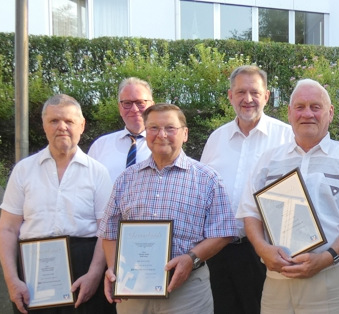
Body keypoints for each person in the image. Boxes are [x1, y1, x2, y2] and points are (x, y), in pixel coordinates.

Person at [236, 79, 339, 313]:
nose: (307, 114)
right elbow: (249, 212)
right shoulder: (269, 160)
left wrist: (328, 257)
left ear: (330, 113)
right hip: (278, 279)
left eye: (315, 107)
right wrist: (262, 249)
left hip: (335, 279)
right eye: (300, 107)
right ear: (289, 113)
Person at [98, 103, 238, 314]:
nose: (161, 134)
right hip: (133, 289)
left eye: (170, 128)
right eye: (153, 128)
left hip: (187, 290)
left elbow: (224, 232)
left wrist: (191, 258)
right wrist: (113, 267)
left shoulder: (207, 179)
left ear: (185, 134)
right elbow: (109, 231)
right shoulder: (126, 178)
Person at [0, 94, 115, 314]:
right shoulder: (23, 170)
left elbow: (106, 229)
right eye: (54, 121)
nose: (62, 127)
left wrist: (94, 275)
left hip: (84, 265)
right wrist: (12, 279)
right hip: (33, 270)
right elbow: (7, 228)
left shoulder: (98, 172)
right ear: (44, 125)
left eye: (69, 121)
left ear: (82, 126)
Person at [200, 65, 294, 314]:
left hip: (264, 251)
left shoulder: (287, 137)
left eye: (255, 92)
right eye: (241, 92)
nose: (248, 99)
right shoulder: (216, 139)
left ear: (266, 96)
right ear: (230, 96)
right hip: (218, 251)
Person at [88, 77, 154, 182]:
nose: (134, 109)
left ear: (152, 106)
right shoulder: (100, 146)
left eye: (140, 103)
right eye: (127, 103)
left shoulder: (165, 146)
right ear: (120, 108)